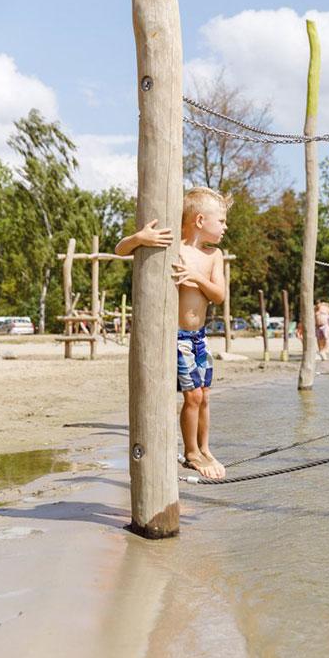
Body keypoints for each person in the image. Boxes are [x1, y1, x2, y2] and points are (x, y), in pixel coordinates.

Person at [115, 187, 229, 479]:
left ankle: (205, 448)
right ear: (200, 220)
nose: (225, 227)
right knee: (191, 396)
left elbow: (219, 295)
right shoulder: (173, 246)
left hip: (199, 336)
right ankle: (191, 453)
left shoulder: (213, 256)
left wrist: (196, 277)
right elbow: (120, 250)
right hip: (177, 337)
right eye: (222, 221)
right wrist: (139, 238)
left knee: (204, 396)